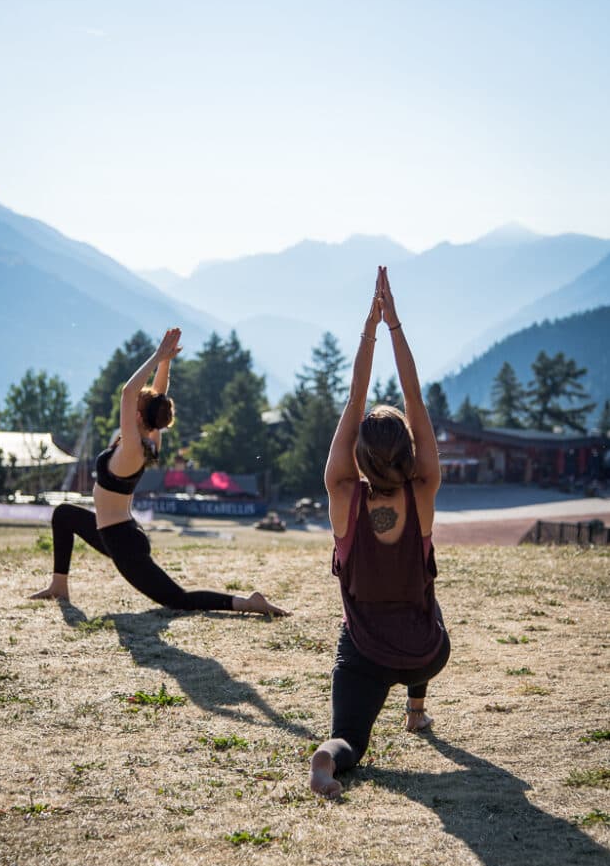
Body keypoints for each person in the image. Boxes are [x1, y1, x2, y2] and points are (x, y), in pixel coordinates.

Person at [309, 267, 450, 798]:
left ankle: (329, 758)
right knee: (426, 602)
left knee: (349, 738)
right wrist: (395, 327)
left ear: (359, 458)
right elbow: (417, 403)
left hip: (364, 653)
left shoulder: (342, 493)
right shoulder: (424, 492)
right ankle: (417, 709)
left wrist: (368, 329)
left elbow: (354, 400)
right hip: (423, 652)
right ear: (410, 454)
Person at [31, 328, 286, 616]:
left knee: (177, 599)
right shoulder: (150, 437)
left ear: (137, 416)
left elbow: (128, 393)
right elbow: (158, 396)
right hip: (114, 531)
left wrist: (156, 356)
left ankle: (248, 602)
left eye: (138, 405)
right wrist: (166, 361)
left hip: (122, 542)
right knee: (64, 514)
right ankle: (59, 585)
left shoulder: (133, 449)